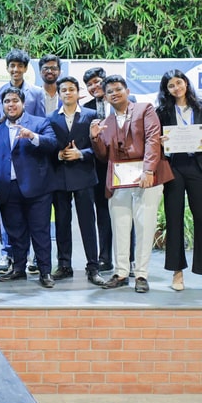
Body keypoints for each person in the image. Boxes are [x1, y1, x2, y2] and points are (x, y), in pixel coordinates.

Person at [90, 75, 174, 293]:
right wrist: (95, 138)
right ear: (105, 97)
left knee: (145, 226)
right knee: (120, 226)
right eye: (110, 92)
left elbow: (153, 139)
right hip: (119, 180)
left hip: (146, 177)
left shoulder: (145, 109)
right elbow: (103, 156)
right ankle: (120, 273)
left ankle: (141, 274)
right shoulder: (106, 122)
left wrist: (148, 170)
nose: (114, 94)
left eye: (118, 89)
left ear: (127, 91)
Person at [0, 86, 58, 288]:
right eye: (7, 101)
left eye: (15, 100)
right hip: (7, 189)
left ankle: (45, 271)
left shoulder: (39, 123)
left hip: (37, 189)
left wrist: (32, 136)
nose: (11, 104)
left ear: (23, 103)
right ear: (2, 105)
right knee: (15, 233)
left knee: (40, 232)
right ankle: (18, 269)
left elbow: (53, 144)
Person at [155, 70, 202, 296]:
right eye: (171, 85)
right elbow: (155, 139)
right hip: (174, 166)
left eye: (179, 83)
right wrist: (161, 141)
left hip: (197, 165)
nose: (176, 88)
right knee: (174, 219)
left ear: (186, 83)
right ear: (166, 90)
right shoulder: (162, 111)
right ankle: (177, 272)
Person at [48, 76, 104, 285]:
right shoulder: (50, 118)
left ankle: (93, 267)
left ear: (78, 92)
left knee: (88, 224)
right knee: (62, 223)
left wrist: (81, 153)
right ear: (59, 94)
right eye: (63, 90)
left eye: (71, 89)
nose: (68, 93)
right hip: (60, 178)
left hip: (84, 176)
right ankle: (64, 265)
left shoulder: (91, 115)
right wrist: (58, 155)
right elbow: (48, 146)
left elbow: (100, 146)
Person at [83, 66, 135, 274]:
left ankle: (130, 259)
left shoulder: (127, 103)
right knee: (103, 213)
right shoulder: (86, 109)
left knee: (127, 213)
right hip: (99, 168)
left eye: (97, 81)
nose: (94, 86)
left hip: (125, 166)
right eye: (89, 84)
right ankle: (105, 258)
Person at [0, 48, 45, 123]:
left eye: (20, 66)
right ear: (7, 68)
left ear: (25, 68)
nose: (16, 69)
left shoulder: (37, 92)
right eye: (12, 66)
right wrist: (1, 122)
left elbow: (41, 120)